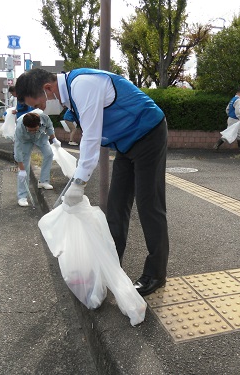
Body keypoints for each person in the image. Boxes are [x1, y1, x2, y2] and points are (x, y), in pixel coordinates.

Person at [15, 68, 170, 296]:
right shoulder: (70, 93)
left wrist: (79, 182)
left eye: (38, 103)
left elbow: (91, 137)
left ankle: (156, 274)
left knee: (149, 205)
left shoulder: (82, 85)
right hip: (126, 143)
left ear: (47, 89)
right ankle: (109, 266)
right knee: (116, 207)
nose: (40, 109)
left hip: (148, 133)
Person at [14, 110, 61, 207]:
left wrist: (54, 138)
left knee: (49, 154)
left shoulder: (44, 117)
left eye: (34, 129)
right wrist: (22, 170)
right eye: (30, 130)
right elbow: (18, 150)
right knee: (25, 164)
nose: (32, 131)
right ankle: (22, 196)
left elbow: (49, 127)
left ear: (39, 124)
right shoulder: (19, 128)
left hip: (40, 137)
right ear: (25, 126)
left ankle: (44, 181)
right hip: (25, 141)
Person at [214, 87, 240, 151]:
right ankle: (217, 145)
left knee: (239, 134)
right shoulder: (238, 100)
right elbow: (237, 110)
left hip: (231, 119)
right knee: (229, 133)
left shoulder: (233, 99)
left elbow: (227, 109)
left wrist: (229, 115)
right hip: (235, 119)